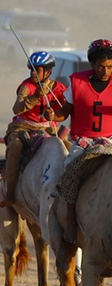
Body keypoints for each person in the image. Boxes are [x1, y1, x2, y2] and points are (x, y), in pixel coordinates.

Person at [45, 39, 112, 244]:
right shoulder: (77, 83)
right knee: (71, 166)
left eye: (109, 67)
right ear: (92, 64)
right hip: (86, 140)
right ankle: (70, 217)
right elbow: (63, 114)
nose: (105, 71)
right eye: (101, 66)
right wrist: (52, 115)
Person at [1, 51, 67, 208]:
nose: (33, 73)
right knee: (16, 147)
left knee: (68, 150)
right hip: (22, 126)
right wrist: (35, 97)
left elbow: (64, 110)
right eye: (31, 69)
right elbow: (16, 109)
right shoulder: (26, 87)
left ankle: (67, 190)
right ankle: (10, 192)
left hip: (48, 128)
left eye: (37, 70)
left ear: (48, 72)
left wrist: (54, 115)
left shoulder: (58, 89)